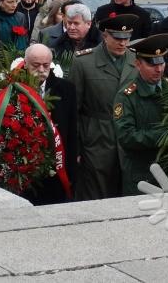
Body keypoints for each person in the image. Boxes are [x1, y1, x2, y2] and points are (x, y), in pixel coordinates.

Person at [67, 14, 139, 200]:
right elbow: (73, 110)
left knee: (126, 194)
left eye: (126, 38)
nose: (122, 43)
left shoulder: (136, 60)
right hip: (96, 139)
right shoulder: (84, 62)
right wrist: (76, 149)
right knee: (94, 195)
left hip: (127, 139)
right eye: (117, 38)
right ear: (105, 36)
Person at [113, 33, 168, 196]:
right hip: (142, 175)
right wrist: (163, 136)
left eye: (161, 63)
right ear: (137, 64)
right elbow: (126, 136)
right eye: (152, 64)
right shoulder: (126, 96)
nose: (159, 69)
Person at [21, 43, 77, 205]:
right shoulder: (15, 86)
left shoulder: (66, 89)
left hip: (56, 168)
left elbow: (72, 132)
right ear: (25, 64)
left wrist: (71, 171)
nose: (41, 69)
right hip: (26, 169)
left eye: (46, 65)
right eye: (36, 65)